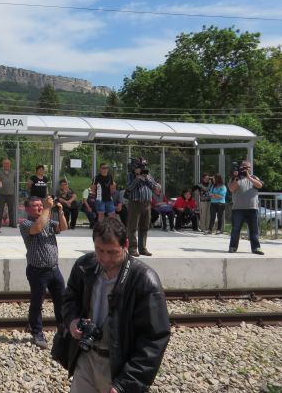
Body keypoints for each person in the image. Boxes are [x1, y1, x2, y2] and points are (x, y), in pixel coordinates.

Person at [59, 218, 170, 393]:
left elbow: (154, 339)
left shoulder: (144, 280)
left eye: (111, 252)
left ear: (126, 244)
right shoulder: (84, 266)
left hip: (119, 366)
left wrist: (125, 382)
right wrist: (72, 320)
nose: (104, 258)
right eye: (99, 250)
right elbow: (69, 298)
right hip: (86, 359)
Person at [19, 195, 68, 349]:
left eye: (41, 205)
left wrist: (60, 212)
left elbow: (63, 227)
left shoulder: (48, 221)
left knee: (62, 302)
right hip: (37, 271)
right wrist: (47, 208)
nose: (40, 207)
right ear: (27, 209)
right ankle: (37, 333)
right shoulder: (26, 224)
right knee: (37, 303)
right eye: (35, 205)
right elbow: (38, 228)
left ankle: (64, 331)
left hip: (54, 269)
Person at [124, 158, 161, 257]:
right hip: (135, 203)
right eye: (141, 167)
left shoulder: (148, 175)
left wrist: (147, 179)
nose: (143, 168)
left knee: (144, 227)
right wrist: (137, 179)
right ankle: (132, 248)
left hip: (147, 204)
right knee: (132, 227)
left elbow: (155, 187)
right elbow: (129, 188)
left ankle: (143, 248)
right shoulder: (130, 175)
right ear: (135, 167)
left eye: (144, 166)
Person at [228, 161, 264, 255]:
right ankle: (233, 247)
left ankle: (256, 248)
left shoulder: (254, 177)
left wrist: (248, 177)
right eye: (244, 167)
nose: (246, 169)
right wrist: (236, 178)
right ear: (240, 168)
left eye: (247, 167)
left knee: (254, 230)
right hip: (238, 209)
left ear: (250, 168)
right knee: (236, 229)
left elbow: (260, 185)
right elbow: (231, 189)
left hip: (252, 208)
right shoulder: (235, 178)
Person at [0, 158, 17, 227]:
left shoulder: (14, 172)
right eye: (5, 163)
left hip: (11, 193)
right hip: (1, 193)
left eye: (8, 163)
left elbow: (14, 181)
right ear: (2, 164)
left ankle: (12, 223)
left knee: (12, 209)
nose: (6, 165)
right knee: (0, 209)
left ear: (10, 164)